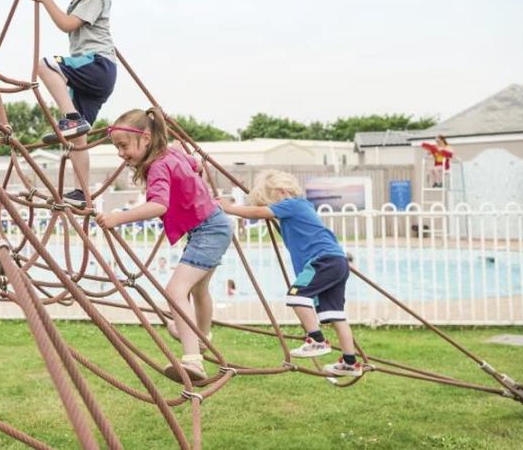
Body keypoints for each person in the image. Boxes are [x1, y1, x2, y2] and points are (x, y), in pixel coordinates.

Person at [96, 108, 231, 382]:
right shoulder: (170, 154)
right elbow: (196, 164)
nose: (121, 153)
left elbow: (158, 205)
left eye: (123, 146)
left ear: (146, 138)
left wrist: (118, 217)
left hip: (207, 230)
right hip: (213, 226)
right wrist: (183, 153)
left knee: (175, 291)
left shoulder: (159, 165)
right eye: (117, 148)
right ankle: (201, 340)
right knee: (198, 289)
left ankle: (193, 361)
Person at [218, 170, 362, 377]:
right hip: (336, 261)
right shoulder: (301, 208)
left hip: (322, 261)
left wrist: (229, 208)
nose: (271, 206)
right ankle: (350, 363)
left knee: (297, 296)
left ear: (281, 191)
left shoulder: (292, 204)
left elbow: (260, 213)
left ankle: (316, 340)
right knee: (335, 315)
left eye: (271, 201)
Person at [30, 0, 117, 208]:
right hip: (94, 74)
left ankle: (69, 117)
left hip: (96, 64)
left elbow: (67, 24)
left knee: (45, 64)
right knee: (79, 138)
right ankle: (82, 193)